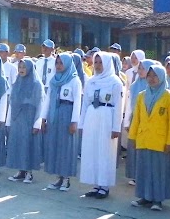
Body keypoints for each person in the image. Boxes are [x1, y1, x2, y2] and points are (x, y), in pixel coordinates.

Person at [128, 65, 170, 211]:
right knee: (143, 169)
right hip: (144, 138)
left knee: (159, 170)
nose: (151, 79)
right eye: (149, 76)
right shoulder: (142, 95)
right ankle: (145, 196)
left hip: (160, 141)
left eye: (155, 76)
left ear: (161, 77)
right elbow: (136, 117)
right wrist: (133, 136)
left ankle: (158, 200)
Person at [78, 52, 123, 199]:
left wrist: (116, 127)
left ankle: (104, 185)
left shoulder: (115, 82)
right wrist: (82, 123)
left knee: (105, 151)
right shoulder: (91, 81)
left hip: (107, 117)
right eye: (96, 62)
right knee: (93, 150)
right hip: (92, 116)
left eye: (100, 63)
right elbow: (85, 104)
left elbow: (118, 106)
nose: (97, 65)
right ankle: (95, 184)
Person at [42, 52, 83, 191]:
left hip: (67, 114)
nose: (59, 66)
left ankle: (66, 179)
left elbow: (77, 102)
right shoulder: (54, 80)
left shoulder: (74, 80)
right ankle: (58, 177)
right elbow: (48, 100)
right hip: (54, 115)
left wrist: (74, 122)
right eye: (57, 63)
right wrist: (43, 118)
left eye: (61, 63)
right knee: (55, 146)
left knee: (66, 147)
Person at [6, 58, 44, 183]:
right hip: (17, 118)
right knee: (18, 143)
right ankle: (20, 170)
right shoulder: (17, 82)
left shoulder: (36, 84)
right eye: (20, 67)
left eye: (24, 67)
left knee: (28, 144)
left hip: (29, 118)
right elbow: (12, 101)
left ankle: (29, 172)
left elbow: (39, 104)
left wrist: (37, 122)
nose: (21, 70)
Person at [124, 59, 158, 186]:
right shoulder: (134, 86)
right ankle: (135, 175)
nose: (141, 71)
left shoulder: (156, 86)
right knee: (134, 148)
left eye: (144, 69)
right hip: (135, 119)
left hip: (149, 123)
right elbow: (129, 105)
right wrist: (127, 122)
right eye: (140, 68)